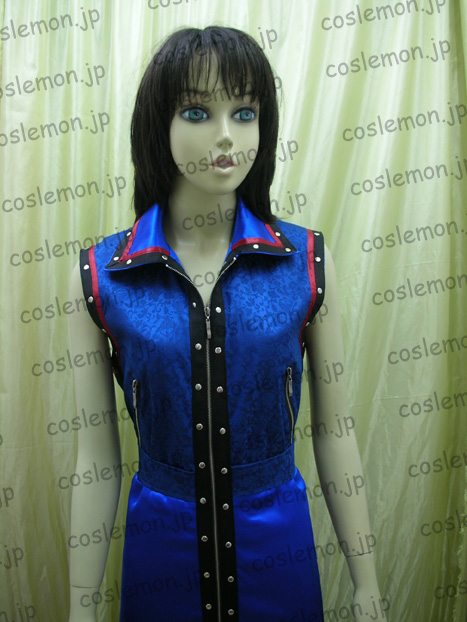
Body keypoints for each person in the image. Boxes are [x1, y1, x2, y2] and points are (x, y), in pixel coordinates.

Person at [68, 25, 385, 622]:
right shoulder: (103, 275)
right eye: (197, 111)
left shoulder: (306, 263)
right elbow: (96, 460)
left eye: (244, 112)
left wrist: (366, 582)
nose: (225, 136)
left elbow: (336, 432)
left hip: (279, 555)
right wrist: (80, 608)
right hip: (161, 561)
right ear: (158, 124)